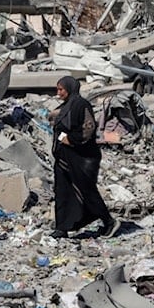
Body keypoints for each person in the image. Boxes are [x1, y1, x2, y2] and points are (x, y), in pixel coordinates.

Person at [50, 76, 120, 239]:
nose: (58, 93)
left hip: (81, 158)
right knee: (62, 191)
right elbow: (60, 130)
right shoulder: (66, 106)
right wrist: (61, 138)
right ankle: (62, 227)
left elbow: (88, 128)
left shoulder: (81, 104)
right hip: (64, 158)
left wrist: (71, 140)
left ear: (70, 88)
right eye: (58, 89)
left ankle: (108, 221)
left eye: (61, 89)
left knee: (86, 190)